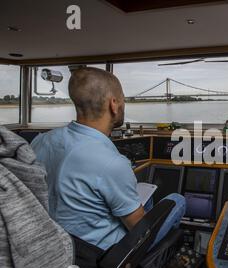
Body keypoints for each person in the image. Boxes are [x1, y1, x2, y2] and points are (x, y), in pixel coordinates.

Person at [31, 67, 185, 251]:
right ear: (114, 104)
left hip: (54, 247)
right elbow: (140, 229)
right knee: (177, 200)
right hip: (101, 257)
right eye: (123, 100)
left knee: (147, 198)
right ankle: (152, 263)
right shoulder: (112, 163)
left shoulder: (40, 142)